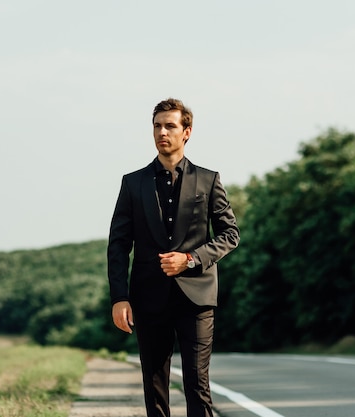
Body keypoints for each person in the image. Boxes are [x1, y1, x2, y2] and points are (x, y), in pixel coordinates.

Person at [107, 98, 240, 417]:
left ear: (187, 132)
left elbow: (229, 234)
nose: (162, 132)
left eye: (170, 125)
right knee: (154, 387)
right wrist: (119, 297)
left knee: (197, 384)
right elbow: (118, 244)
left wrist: (191, 259)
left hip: (197, 298)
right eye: (157, 126)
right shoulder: (133, 183)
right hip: (148, 297)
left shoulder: (208, 180)